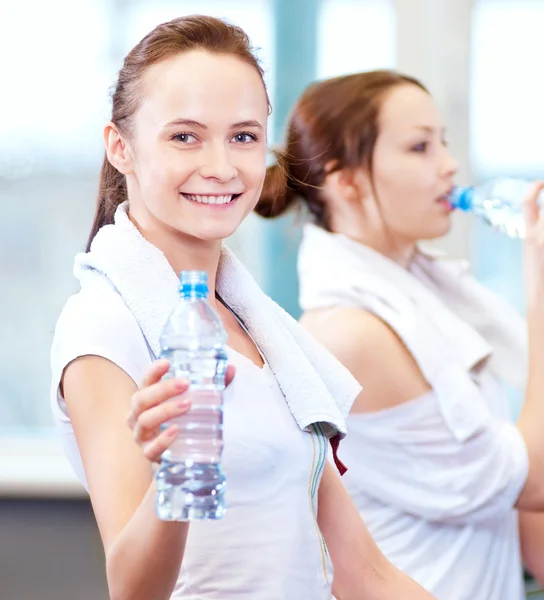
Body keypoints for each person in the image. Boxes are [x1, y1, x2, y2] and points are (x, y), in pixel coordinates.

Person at [49, 19, 434, 600]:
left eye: (243, 137)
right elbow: (132, 589)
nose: (223, 167)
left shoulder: (267, 333)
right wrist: (177, 472)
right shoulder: (103, 327)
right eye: (185, 137)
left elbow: (363, 575)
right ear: (119, 147)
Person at [255, 69, 544, 599]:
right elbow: (541, 483)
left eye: (442, 141)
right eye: (419, 147)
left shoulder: (426, 297)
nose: (450, 164)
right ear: (344, 181)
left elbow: (510, 491)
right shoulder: (354, 335)